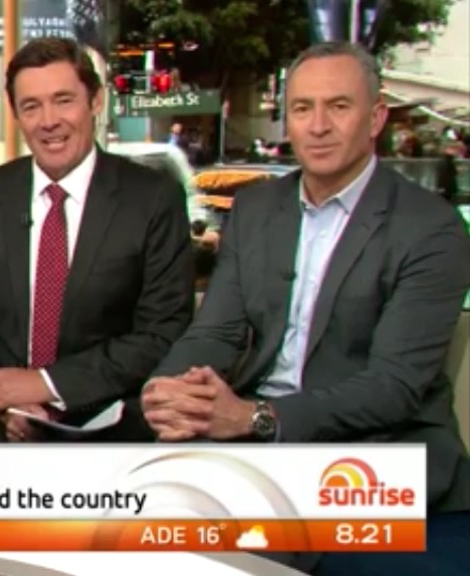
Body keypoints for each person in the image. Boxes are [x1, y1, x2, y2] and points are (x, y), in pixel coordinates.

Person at [141, 42, 470, 574]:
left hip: (377, 449)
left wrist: (255, 417)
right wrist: (169, 390)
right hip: (255, 440)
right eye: (302, 108)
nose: (318, 126)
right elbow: (215, 333)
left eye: (338, 106)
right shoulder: (256, 209)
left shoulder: (430, 228)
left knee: (223, 542)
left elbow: (393, 388)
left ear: (375, 118)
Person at [0, 37, 195, 443]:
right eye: (31, 106)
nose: (48, 121)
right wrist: (9, 401)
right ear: (16, 116)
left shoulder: (152, 198)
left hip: (107, 411)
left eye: (63, 100)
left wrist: (46, 385)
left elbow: (161, 332)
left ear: (95, 101)